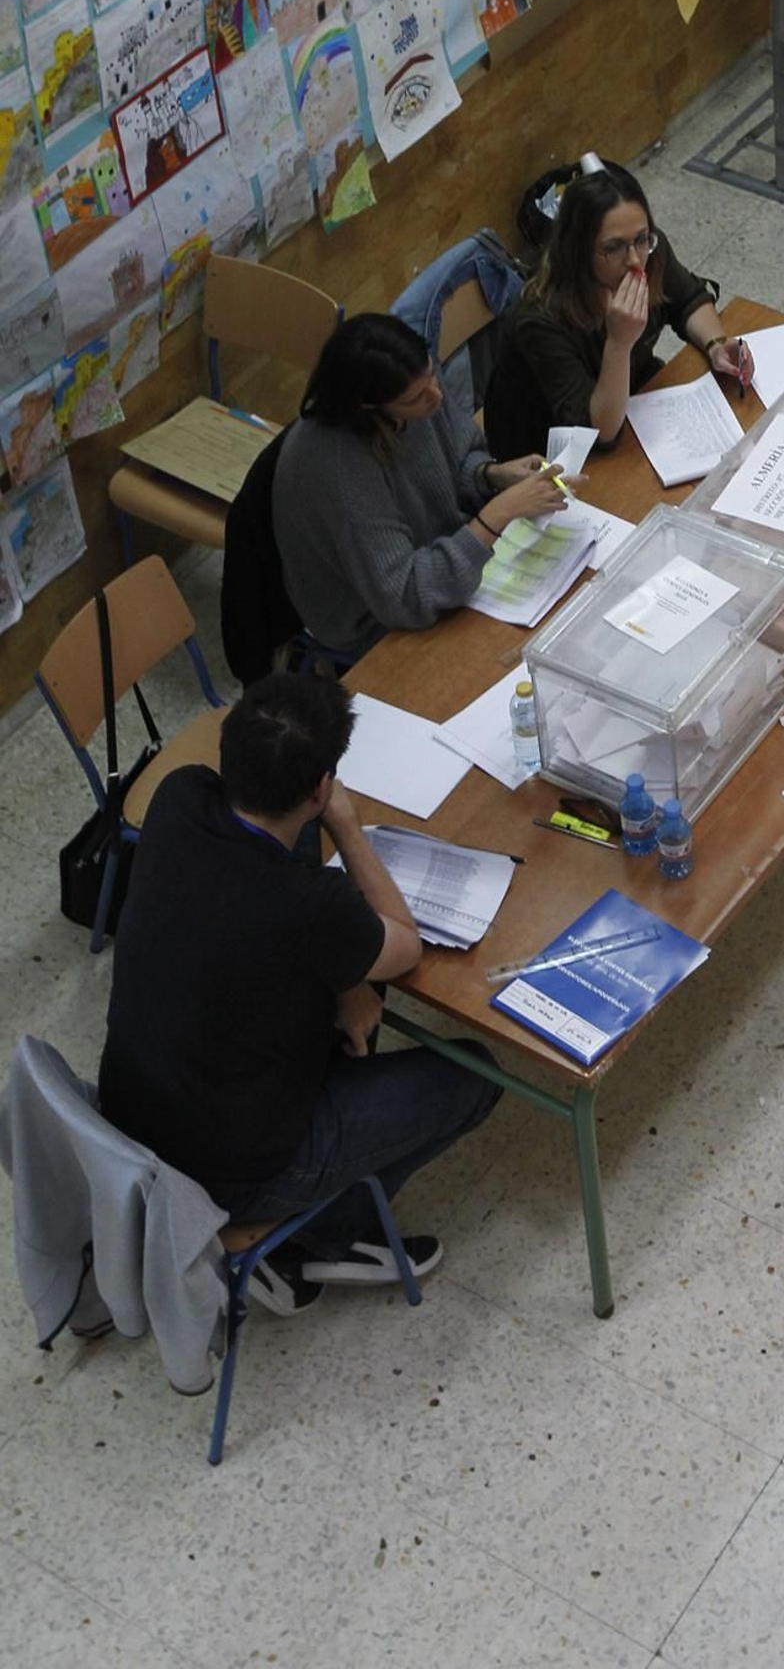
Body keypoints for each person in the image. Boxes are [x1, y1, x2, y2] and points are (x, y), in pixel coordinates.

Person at [98, 675, 501, 1313]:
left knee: (357, 1013)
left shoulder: (179, 798)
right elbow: (403, 947)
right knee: (476, 1076)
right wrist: (347, 828)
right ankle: (309, 1238)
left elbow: (256, 926)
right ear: (320, 788)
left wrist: (345, 980)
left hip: (133, 1124)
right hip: (233, 1168)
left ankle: (281, 1224)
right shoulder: (310, 904)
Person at [273, 312, 566, 659]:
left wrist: (491, 475)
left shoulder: (416, 384)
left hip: (445, 562)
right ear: (367, 406)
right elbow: (403, 596)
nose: (436, 398)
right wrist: (497, 514)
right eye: (415, 398)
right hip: (381, 625)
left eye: (432, 375)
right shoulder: (339, 468)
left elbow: (457, 459)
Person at [484, 158, 752, 458]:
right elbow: (599, 433)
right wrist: (619, 343)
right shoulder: (539, 318)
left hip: (634, 399)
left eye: (640, 239)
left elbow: (687, 299)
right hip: (556, 449)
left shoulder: (649, 249)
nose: (635, 260)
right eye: (612, 248)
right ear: (577, 252)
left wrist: (715, 343)